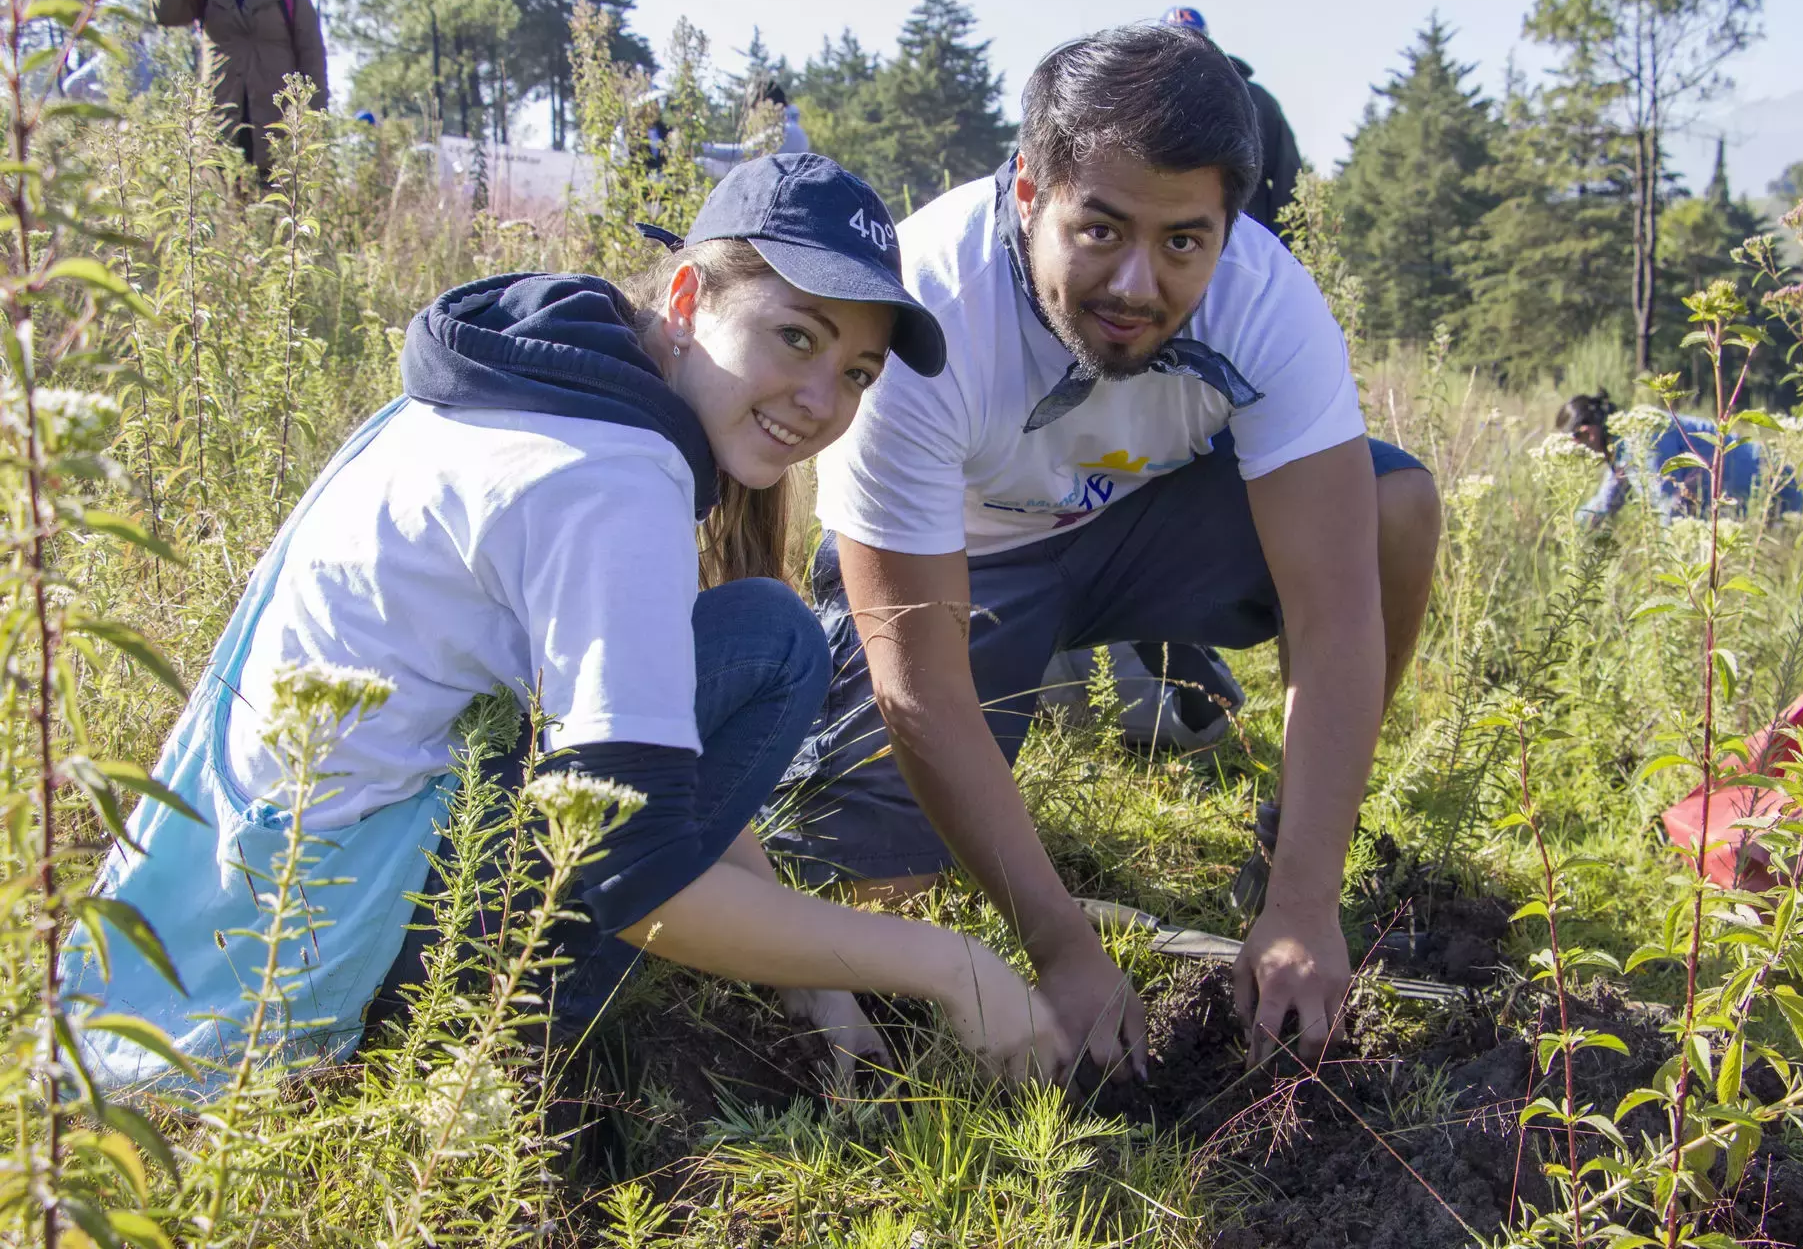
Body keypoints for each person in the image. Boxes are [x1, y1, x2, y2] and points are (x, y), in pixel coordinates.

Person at [68, 155, 1065, 1091]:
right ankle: (505, 1063)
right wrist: (949, 962)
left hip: (235, 898)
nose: (821, 399)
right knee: (776, 640)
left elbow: (649, 749)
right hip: (322, 942)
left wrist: (813, 965)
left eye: (857, 371)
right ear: (687, 300)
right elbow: (637, 882)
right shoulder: (610, 482)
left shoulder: (547, 380)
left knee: (760, 634)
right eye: (796, 336)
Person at [769, 25, 1442, 1077]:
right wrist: (1059, 941)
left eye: (1184, 240)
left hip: (1134, 532)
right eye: (1101, 228)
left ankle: (1286, 843)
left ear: (1229, 226)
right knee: (871, 898)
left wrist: (1305, 898)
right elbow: (923, 690)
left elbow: (1334, 606)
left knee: (1396, 505)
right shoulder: (923, 311)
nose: (1137, 283)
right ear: (1030, 189)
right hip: (964, 568)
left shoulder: (1266, 298)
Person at [151, 0, 329, 182]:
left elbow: (312, 56)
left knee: (275, 206)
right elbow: (165, 13)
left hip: (276, 124)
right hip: (219, 118)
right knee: (221, 203)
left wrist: (314, 123)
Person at [1557, 392, 1803, 523]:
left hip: (1771, 479)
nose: (1574, 449)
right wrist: (1567, 529)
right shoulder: (1622, 450)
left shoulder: (1643, 436)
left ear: (1588, 431)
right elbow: (1606, 502)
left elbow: (1668, 507)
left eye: (1574, 439)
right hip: (1743, 499)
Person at [1160, 6, 1302, 234]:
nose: (1182, 52)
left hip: (1245, 243)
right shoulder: (1146, 103)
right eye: (1172, 42)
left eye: (1191, 42)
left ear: (1208, 45)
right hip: (1171, 241)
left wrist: (1289, 249)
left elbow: (1289, 178)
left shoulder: (1256, 100)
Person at [701, 80, 810, 181]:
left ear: (765, 104)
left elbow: (742, 153)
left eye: (753, 107)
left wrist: (700, 149)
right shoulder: (794, 129)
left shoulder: (781, 131)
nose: (752, 113)